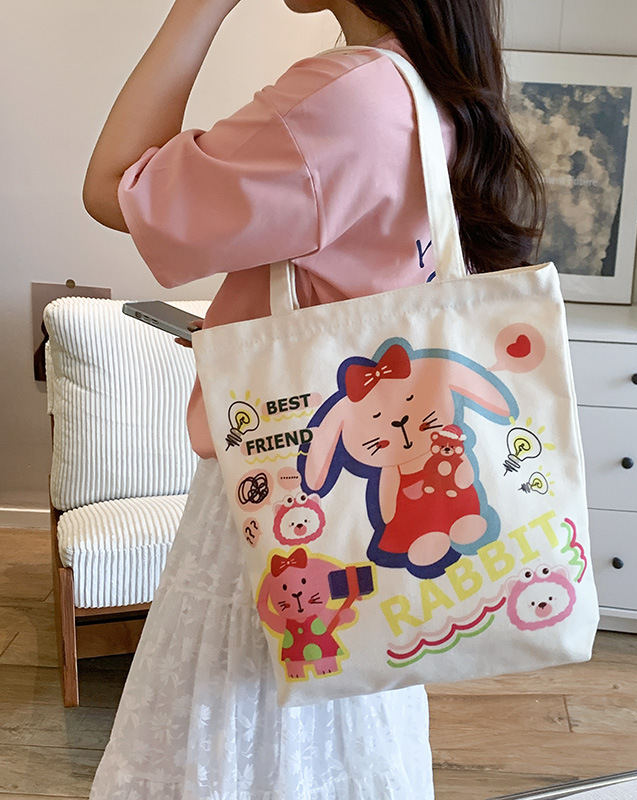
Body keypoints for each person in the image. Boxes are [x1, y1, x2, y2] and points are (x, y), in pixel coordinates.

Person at [82, 0, 544, 797]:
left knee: (244, 734)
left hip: (281, 501)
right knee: (339, 730)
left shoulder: (345, 99)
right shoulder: (429, 89)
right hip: (358, 509)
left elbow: (111, 186)